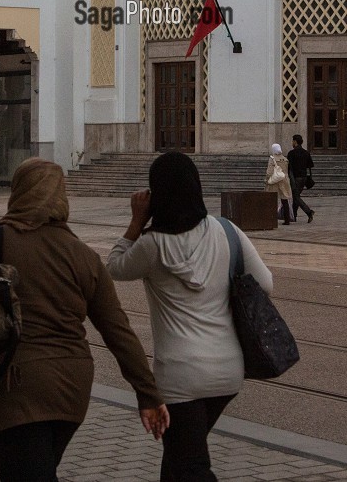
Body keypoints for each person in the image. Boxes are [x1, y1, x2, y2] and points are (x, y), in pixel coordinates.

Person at [0, 158, 169, 482]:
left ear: (18, 192)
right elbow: (119, 334)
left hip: (14, 387)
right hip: (71, 389)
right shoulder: (84, 256)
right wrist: (149, 396)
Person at [108, 151, 274, 482]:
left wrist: (135, 223)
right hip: (227, 370)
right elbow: (265, 284)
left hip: (180, 378)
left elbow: (112, 268)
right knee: (178, 463)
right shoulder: (227, 230)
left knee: (190, 467)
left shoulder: (151, 245)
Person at [286, 134, 315, 223]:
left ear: (295, 142)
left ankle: (309, 212)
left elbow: (288, 167)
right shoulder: (306, 153)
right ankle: (294, 215)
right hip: (304, 178)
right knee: (296, 196)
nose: (292, 143)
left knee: (296, 196)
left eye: (292, 141)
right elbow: (310, 165)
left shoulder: (291, 153)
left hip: (295, 178)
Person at [265, 144, 293, 225]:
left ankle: (272, 219)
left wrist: (266, 180)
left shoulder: (272, 159)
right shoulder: (285, 159)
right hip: (284, 180)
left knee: (272, 199)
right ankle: (287, 219)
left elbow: (269, 172)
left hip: (275, 180)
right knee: (284, 199)